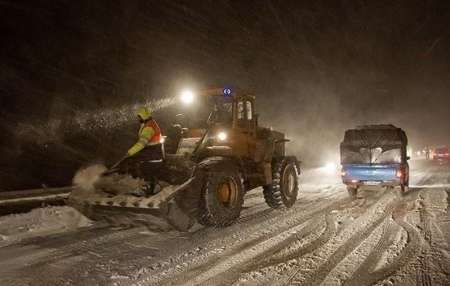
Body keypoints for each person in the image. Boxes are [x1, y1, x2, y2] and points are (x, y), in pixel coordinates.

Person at [120, 107, 164, 186]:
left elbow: (142, 143)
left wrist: (129, 152)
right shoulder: (149, 123)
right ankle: (139, 181)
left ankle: (149, 185)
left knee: (140, 165)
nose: (138, 118)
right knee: (134, 160)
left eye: (139, 116)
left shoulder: (149, 127)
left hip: (153, 154)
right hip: (153, 151)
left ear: (144, 116)